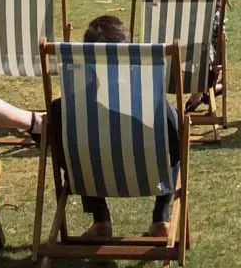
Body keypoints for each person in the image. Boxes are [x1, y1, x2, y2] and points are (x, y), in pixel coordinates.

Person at [47, 15, 180, 239]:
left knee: (78, 156)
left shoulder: (66, 109)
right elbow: (177, 148)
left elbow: (61, 157)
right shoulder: (152, 103)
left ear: (88, 60)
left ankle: (101, 221)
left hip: (90, 176)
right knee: (172, 150)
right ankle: (161, 218)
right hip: (148, 174)